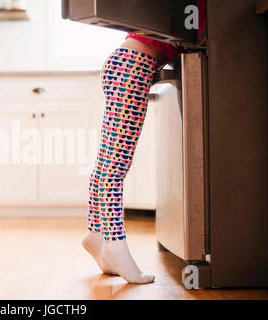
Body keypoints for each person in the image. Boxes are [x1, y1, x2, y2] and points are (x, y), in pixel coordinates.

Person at [82, 0, 206, 284]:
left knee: (106, 164)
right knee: (115, 169)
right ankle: (114, 245)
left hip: (123, 64)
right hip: (132, 68)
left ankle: (95, 233)